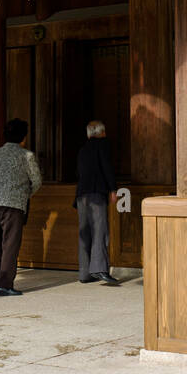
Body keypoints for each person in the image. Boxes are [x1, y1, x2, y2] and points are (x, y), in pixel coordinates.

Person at [0, 118, 42, 297]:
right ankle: (5, 284)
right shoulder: (27, 156)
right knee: (10, 244)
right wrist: (25, 195)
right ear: (23, 137)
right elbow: (37, 181)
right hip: (13, 204)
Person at [74, 120, 119, 284]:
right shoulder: (103, 144)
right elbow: (107, 166)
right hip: (96, 193)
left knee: (84, 232)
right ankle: (100, 269)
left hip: (81, 194)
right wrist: (113, 189)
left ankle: (84, 273)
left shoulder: (83, 149)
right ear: (102, 132)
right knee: (100, 230)